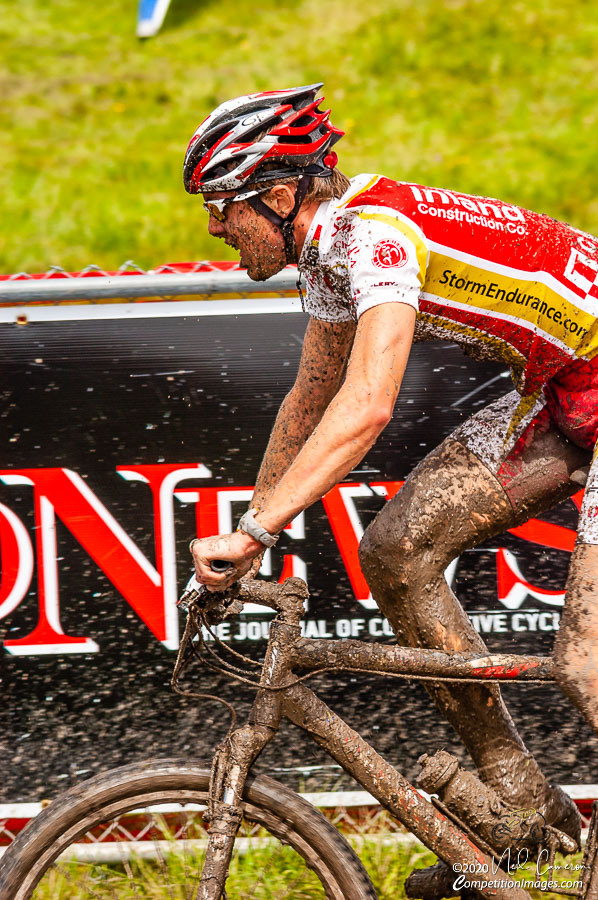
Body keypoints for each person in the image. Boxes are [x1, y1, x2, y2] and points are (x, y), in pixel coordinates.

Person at [183, 83, 598, 848]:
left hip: (585, 386)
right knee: (398, 552)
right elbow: (310, 399)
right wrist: (253, 530)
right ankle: (528, 810)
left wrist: (258, 533)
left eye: (221, 205)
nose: (213, 225)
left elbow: (368, 403)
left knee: (585, 663)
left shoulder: (376, 235)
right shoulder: (328, 253)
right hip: (565, 391)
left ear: (279, 197)